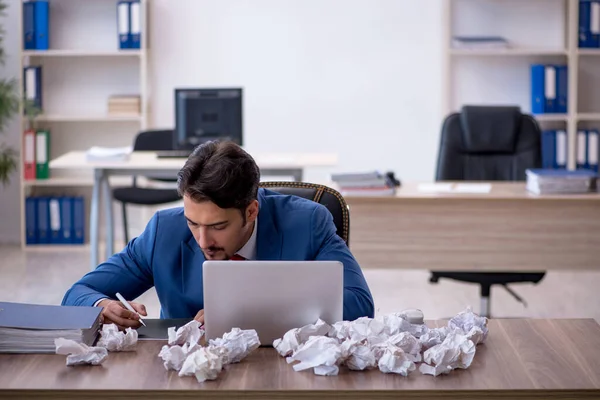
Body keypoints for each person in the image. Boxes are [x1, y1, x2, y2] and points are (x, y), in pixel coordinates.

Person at [61, 140, 375, 330]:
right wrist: (102, 305)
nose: (202, 241)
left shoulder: (308, 222)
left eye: (218, 227)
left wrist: (248, 312)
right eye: (193, 223)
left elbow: (360, 304)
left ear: (252, 212)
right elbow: (79, 292)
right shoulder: (163, 232)